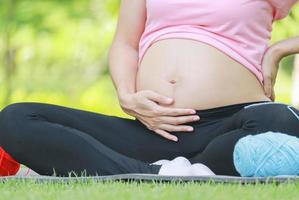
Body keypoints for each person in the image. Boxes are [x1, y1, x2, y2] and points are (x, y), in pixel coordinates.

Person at [0, 0, 299, 177]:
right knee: (15, 119)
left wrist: (279, 50)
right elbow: (125, 45)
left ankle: (156, 171)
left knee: (282, 120)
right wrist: (127, 96)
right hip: (154, 130)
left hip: (231, 124)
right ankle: (163, 174)